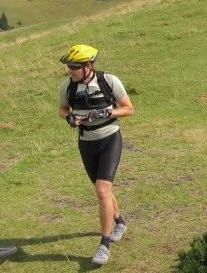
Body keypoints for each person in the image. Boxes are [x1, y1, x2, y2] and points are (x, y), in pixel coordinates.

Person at [58, 44, 134, 265]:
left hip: (110, 139)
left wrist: (108, 111)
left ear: (88, 66)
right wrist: (69, 118)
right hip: (86, 143)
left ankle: (104, 244)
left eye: (75, 66)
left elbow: (129, 108)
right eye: (69, 66)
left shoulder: (109, 81)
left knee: (102, 189)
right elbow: (63, 109)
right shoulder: (67, 86)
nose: (70, 70)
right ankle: (120, 221)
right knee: (103, 191)